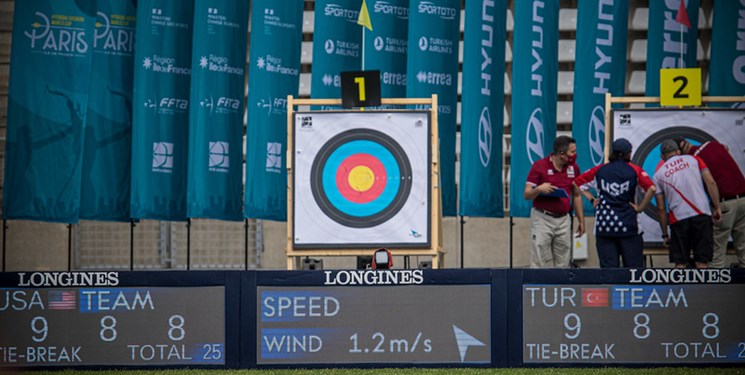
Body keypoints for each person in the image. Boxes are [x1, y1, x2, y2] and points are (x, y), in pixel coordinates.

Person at [573, 138, 656, 268]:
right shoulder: (635, 170)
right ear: (627, 154)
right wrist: (640, 208)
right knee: (633, 271)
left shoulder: (599, 170)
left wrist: (592, 199)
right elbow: (652, 189)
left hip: (605, 226)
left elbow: (576, 184)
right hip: (629, 226)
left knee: (608, 272)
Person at [674, 137, 745, 268]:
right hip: (743, 199)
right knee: (743, 247)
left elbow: (710, 182)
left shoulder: (694, 161)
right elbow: (725, 147)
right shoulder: (712, 144)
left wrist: (716, 207)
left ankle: (714, 287)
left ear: (679, 153)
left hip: (725, 204)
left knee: (716, 253)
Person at [654, 139, 722, 269]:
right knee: (702, 261)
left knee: (680, 263)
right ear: (678, 152)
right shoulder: (694, 160)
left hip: (678, 220)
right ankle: (704, 289)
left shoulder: (658, 175)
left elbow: (661, 208)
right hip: (702, 214)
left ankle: (680, 289)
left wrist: (665, 235)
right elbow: (710, 182)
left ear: (662, 157)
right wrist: (717, 207)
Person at [523, 135, 585, 268]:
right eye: (572, 152)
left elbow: (577, 195)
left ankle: (561, 287)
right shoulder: (539, 166)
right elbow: (527, 194)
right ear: (562, 154)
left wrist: (581, 221)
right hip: (542, 218)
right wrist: (539, 189)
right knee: (538, 260)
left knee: (564, 261)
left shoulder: (574, 168)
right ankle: (538, 287)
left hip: (564, 220)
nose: (575, 155)